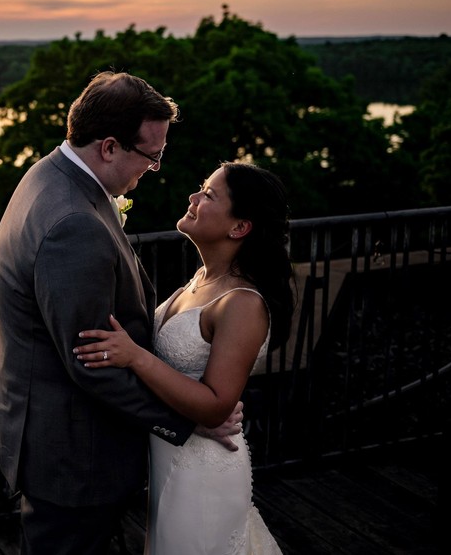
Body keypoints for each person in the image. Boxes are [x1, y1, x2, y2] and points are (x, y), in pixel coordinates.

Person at [0, 71, 242, 555]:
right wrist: (185, 422)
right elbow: (91, 363)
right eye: (152, 157)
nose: (155, 169)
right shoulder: (73, 225)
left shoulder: (49, 173)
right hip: (72, 453)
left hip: (43, 423)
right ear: (109, 147)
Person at [74, 161, 294, 554]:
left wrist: (136, 357)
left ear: (239, 227)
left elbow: (214, 407)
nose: (193, 198)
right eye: (200, 187)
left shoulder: (242, 303)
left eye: (209, 195)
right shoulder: (199, 281)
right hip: (170, 458)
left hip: (205, 471)